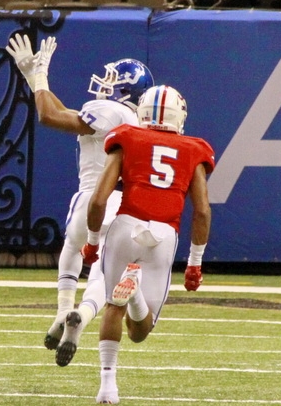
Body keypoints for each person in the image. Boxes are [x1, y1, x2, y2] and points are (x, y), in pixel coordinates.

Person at [5, 33, 154, 367]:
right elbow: (65, 112)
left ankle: (62, 311)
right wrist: (34, 80)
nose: (105, 85)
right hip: (122, 208)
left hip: (89, 201)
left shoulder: (109, 110)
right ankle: (81, 317)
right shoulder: (132, 120)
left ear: (127, 90)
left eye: (114, 81)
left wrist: (40, 76)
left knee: (72, 249)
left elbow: (49, 116)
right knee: (108, 276)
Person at [81, 84, 214, 404]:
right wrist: (195, 262)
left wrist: (92, 242)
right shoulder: (195, 148)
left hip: (125, 226)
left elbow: (99, 199)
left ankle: (107, 387)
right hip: (163, 236)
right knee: (140, 331)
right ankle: (137, 297)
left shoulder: (126, 136)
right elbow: (202, 211)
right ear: (179, 116)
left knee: (113, 305)